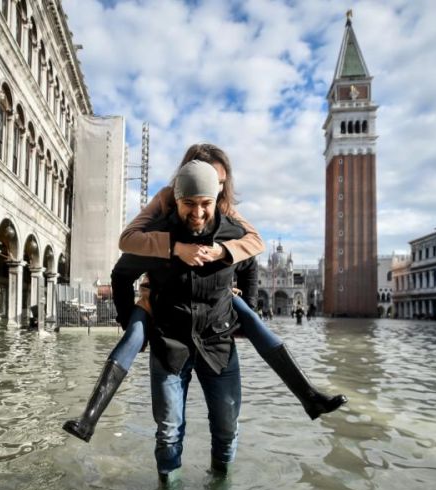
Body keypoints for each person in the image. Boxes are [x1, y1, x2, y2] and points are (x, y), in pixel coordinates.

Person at [62, 145, 345, 444]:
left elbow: (255, 245)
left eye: (221, 182)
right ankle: (89, 419)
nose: (204, 205)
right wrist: (174, 248)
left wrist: (223, 252)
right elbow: (127, 243)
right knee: (133, 334)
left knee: (250, 317)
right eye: (210, 180)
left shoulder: (223, 209)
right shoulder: (165, 201)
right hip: (160, 298)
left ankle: (308, 396)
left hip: (216, 305)